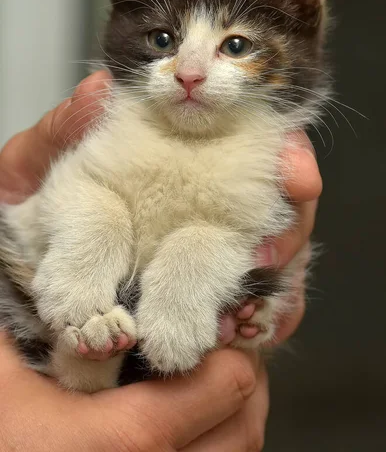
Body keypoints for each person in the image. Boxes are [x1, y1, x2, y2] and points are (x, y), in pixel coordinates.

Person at [0, 70, 322, 451]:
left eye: (236, 46)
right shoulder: (121, 120)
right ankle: (86, 365)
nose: (189, 72)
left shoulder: (261, 144)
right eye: (163, 40)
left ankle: (90, 363)